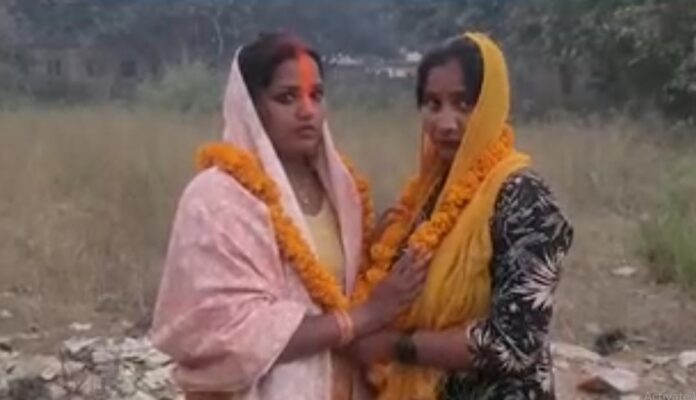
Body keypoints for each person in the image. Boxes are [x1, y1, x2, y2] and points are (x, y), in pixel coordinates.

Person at [149, 33, 428, 400]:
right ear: (251, 108)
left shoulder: (342, 190)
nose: (307, 111)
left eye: (316, 95)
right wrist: (363, 317)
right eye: (287, 98)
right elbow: (227, 334)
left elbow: (345, 290)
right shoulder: (217, 198)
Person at [348, 32, 574, 400]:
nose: (446, 123)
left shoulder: (523, 196)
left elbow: (514, 344)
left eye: (464, 104)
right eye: (433, 104)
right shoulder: (428, 193)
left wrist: (394, 345)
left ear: (491, 105)